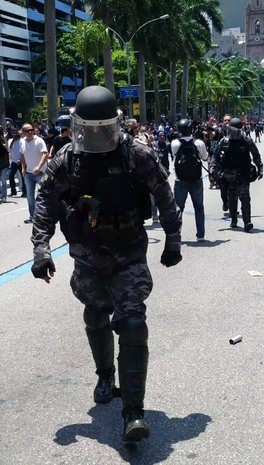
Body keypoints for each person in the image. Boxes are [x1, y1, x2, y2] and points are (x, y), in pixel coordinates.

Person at [31, 85, 182, 443]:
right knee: (95, 312)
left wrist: (173, 240)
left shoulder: (137, 155)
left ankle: (133, 413)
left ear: (115, 124)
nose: (98, 136)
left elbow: (164, 194)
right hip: (87, 254)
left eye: (104, 129)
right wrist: (41, 249)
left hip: (128, 250)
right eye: (91, 129)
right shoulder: (67, 159)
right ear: (78, 126)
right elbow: (45, 203)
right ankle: (104, 376)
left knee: (132, 322)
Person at [212, 118, 263, 231]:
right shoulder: (224, 142)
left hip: (243, 175)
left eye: (238, 130)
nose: (236, 132)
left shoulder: (247, 141)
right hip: (228, 176)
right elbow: (215, 157)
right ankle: (234, 219)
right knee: (231, 199)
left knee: (245, 198)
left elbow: (256, 155)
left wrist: (260, 168)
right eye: (234, 129)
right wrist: (213, 169)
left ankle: (247, 222)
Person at [171, 118, 208, 241]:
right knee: (199, 207)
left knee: (178, 208)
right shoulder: (199, 143)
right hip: (196, 180)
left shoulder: (175, 143)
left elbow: (174, 156)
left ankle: (177, 233)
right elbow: (205, 158)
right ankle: (201, 235)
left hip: (180, 180)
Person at [19, 123, 48, 224]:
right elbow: (22, 155)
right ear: (23, 132)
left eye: (31, 129)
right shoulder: (22, 142)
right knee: (30, 196)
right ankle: (33, 216)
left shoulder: (39, 141)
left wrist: (39, 167)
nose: (31, 132)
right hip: (29, 173)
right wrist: (23, 168)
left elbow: (45, 154)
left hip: (40, 173)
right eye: (28, 131)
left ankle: (44, 216)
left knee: (42, 195)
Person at [7, 130, 26, 197]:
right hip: (14, 162)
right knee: (11, 176)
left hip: (21, 161)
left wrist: (20, 160)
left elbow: (23, 151)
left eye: (16, 133)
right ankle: (13, 191)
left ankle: (24, 192)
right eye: (13, 133)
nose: (15, 135)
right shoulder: (10, 141)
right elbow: (9, 150)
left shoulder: (22, 141)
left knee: (23, 177)